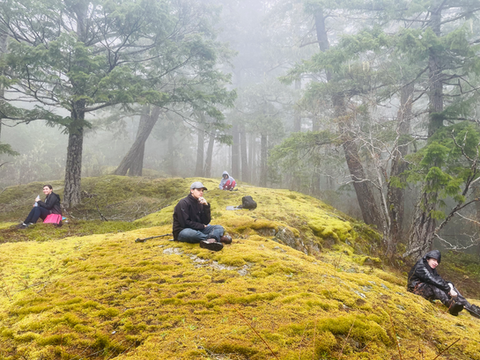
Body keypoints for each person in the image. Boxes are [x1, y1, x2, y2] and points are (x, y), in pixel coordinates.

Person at [407, 250, 480, 318]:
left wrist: (450, 285)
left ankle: (470, 308)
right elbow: (432, 280)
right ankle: (451, 306)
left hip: (425, 289)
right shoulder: (421, 266)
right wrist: (448, 289)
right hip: (415, 290)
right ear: (428, 259)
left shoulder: (431, 268)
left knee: (447, 284)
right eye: (434, 260)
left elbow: (439, 280)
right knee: (434, 284)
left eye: (437, 261)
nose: (436, 263)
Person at [172, 181, 232, 251]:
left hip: (198, 229)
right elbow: (185, 223)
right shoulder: (183, 203)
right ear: (192, 190)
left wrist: (206, 206)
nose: (201, 192)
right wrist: (202, 226)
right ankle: (217, 239)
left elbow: (206, 221)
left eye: (202, 190)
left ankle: (210, 241)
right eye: (198, 190)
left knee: (219, 227)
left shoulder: (200, 203)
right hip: (182, 231)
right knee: (192, 233)